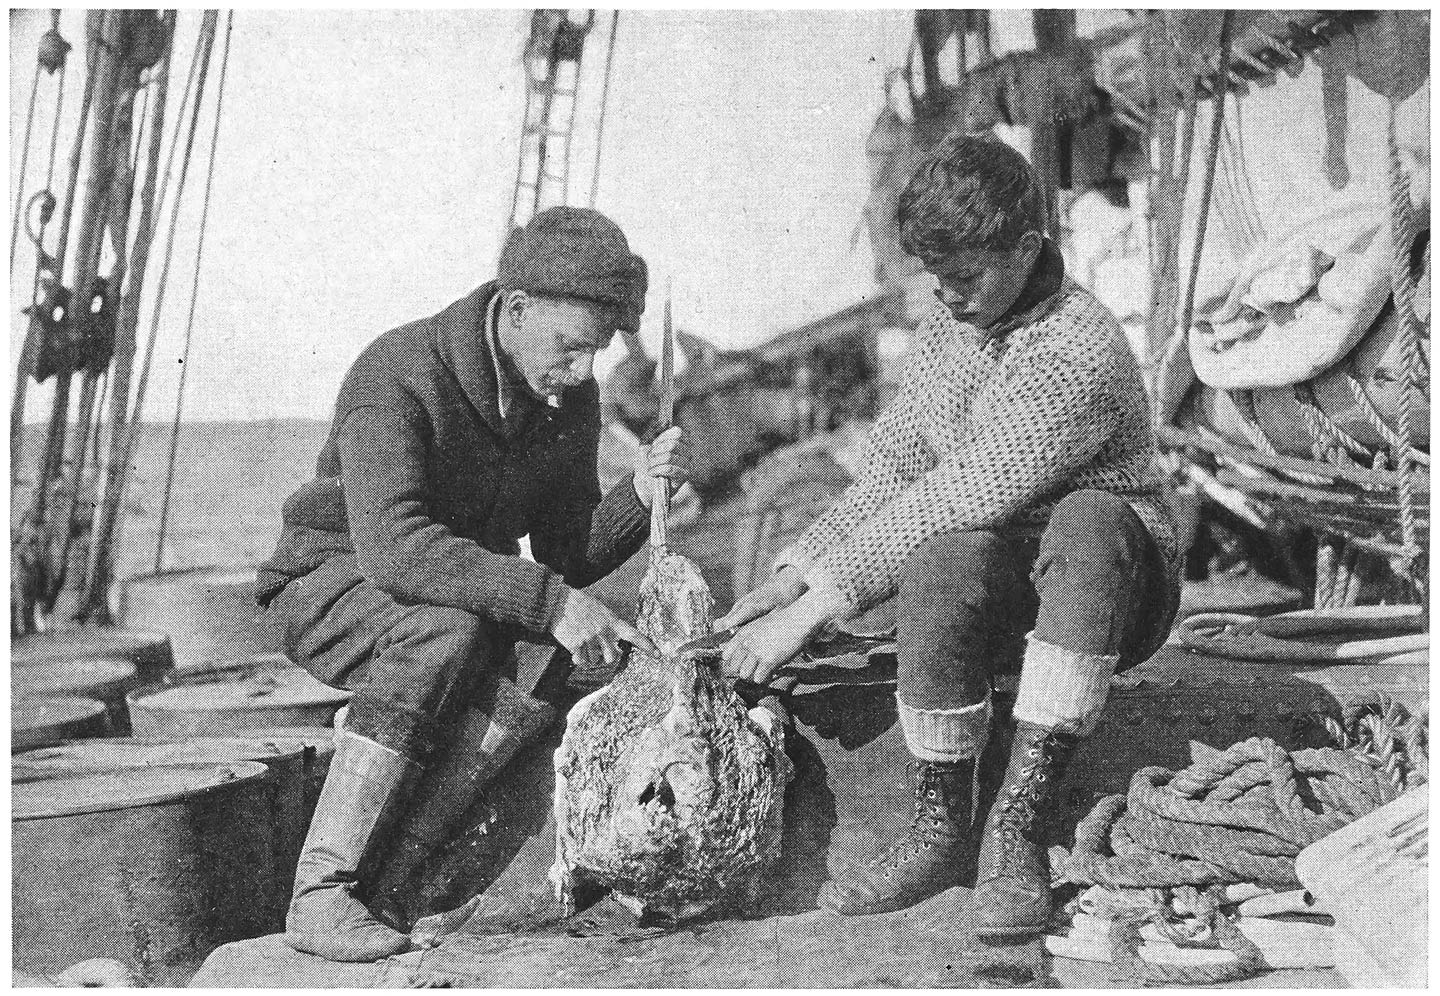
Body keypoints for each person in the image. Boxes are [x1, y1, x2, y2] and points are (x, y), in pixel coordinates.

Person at [715, 135, 1179, 937]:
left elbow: (964, 489)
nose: (949, 296)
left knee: (1088, 520)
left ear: (1028, 248)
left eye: (964, 277)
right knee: (945, 554)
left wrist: (814, 610)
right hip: (1007, 584)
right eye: (936, 279)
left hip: (1108, 593)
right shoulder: (950, 326)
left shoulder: (1078, 348)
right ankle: (939, 827)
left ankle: (1017, 828)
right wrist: (793, 573)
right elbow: (899, 463)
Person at [256, 206, 690, 961]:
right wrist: (549, 602)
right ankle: (321, 893)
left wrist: (641, 495)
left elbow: (565, 549)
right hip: (328, 580)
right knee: (448, 633)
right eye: (569, 347)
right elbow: (395, 551)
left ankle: (400, 884)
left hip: (442, 582)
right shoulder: (396, 374)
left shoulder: (564, 395)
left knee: (562, 660)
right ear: (516, 310)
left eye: (593, 351)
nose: (583, 370)